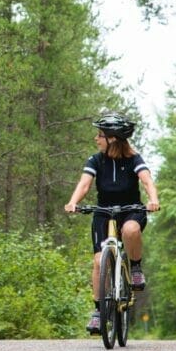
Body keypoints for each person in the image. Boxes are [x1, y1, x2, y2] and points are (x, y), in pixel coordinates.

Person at [63, 113, 160, 335]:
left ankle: (135, 267)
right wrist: (73, 202)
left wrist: (153, 199)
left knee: (131, 229)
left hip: (131, 210)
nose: (96, 139)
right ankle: (99, 312)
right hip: (103, 212)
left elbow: (147, 181)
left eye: (100, 135)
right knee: (98, 262)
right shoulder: (95, 160)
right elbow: (84, 184)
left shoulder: (134, 159)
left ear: (113, 138)